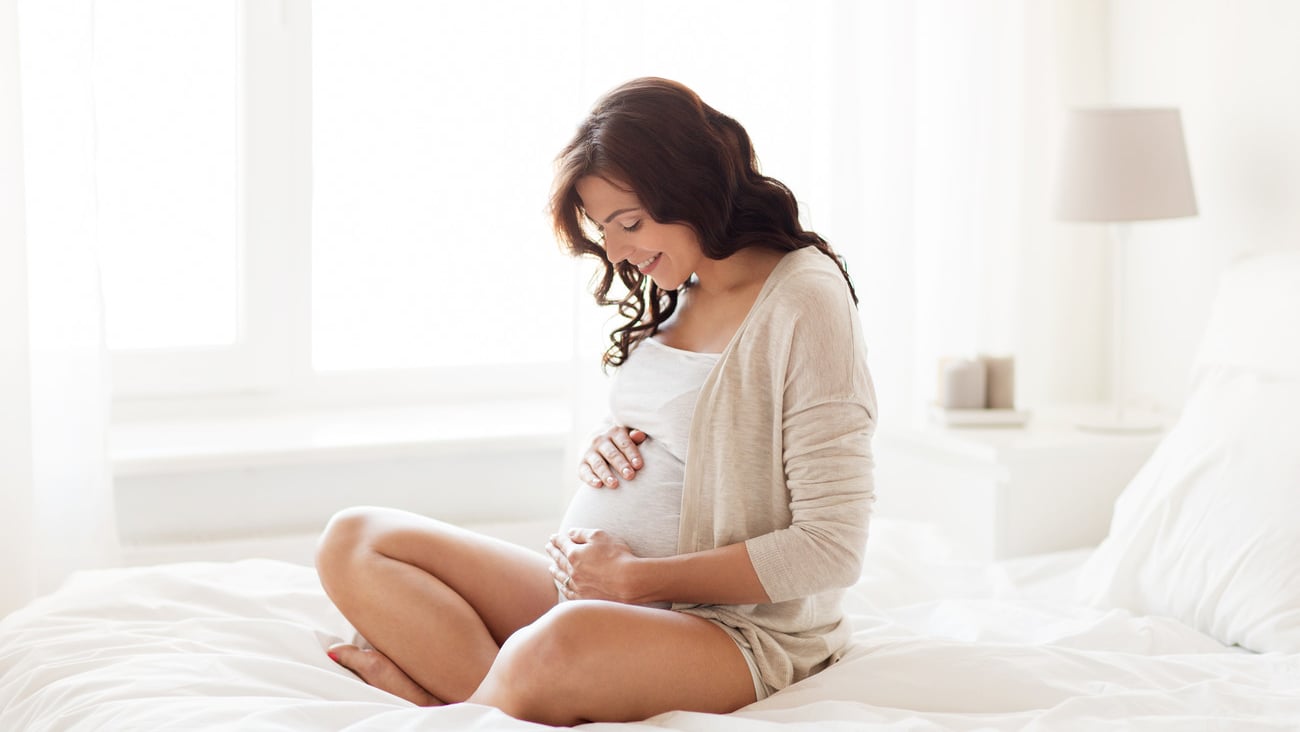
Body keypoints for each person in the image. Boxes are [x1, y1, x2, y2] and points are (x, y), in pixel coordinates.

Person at [315, 76, 877, 727]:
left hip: (731, 629)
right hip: (596, 594)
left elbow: (832, 547)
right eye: (604, 229)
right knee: (355, 539)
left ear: (692, 186)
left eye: (629, 223)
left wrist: (635, 581)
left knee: (555, 646)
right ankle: (481, 704)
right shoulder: (680, 284)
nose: (615, 252)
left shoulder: (804, 298)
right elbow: (691, 425)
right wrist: (613, 433)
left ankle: (455, 707)